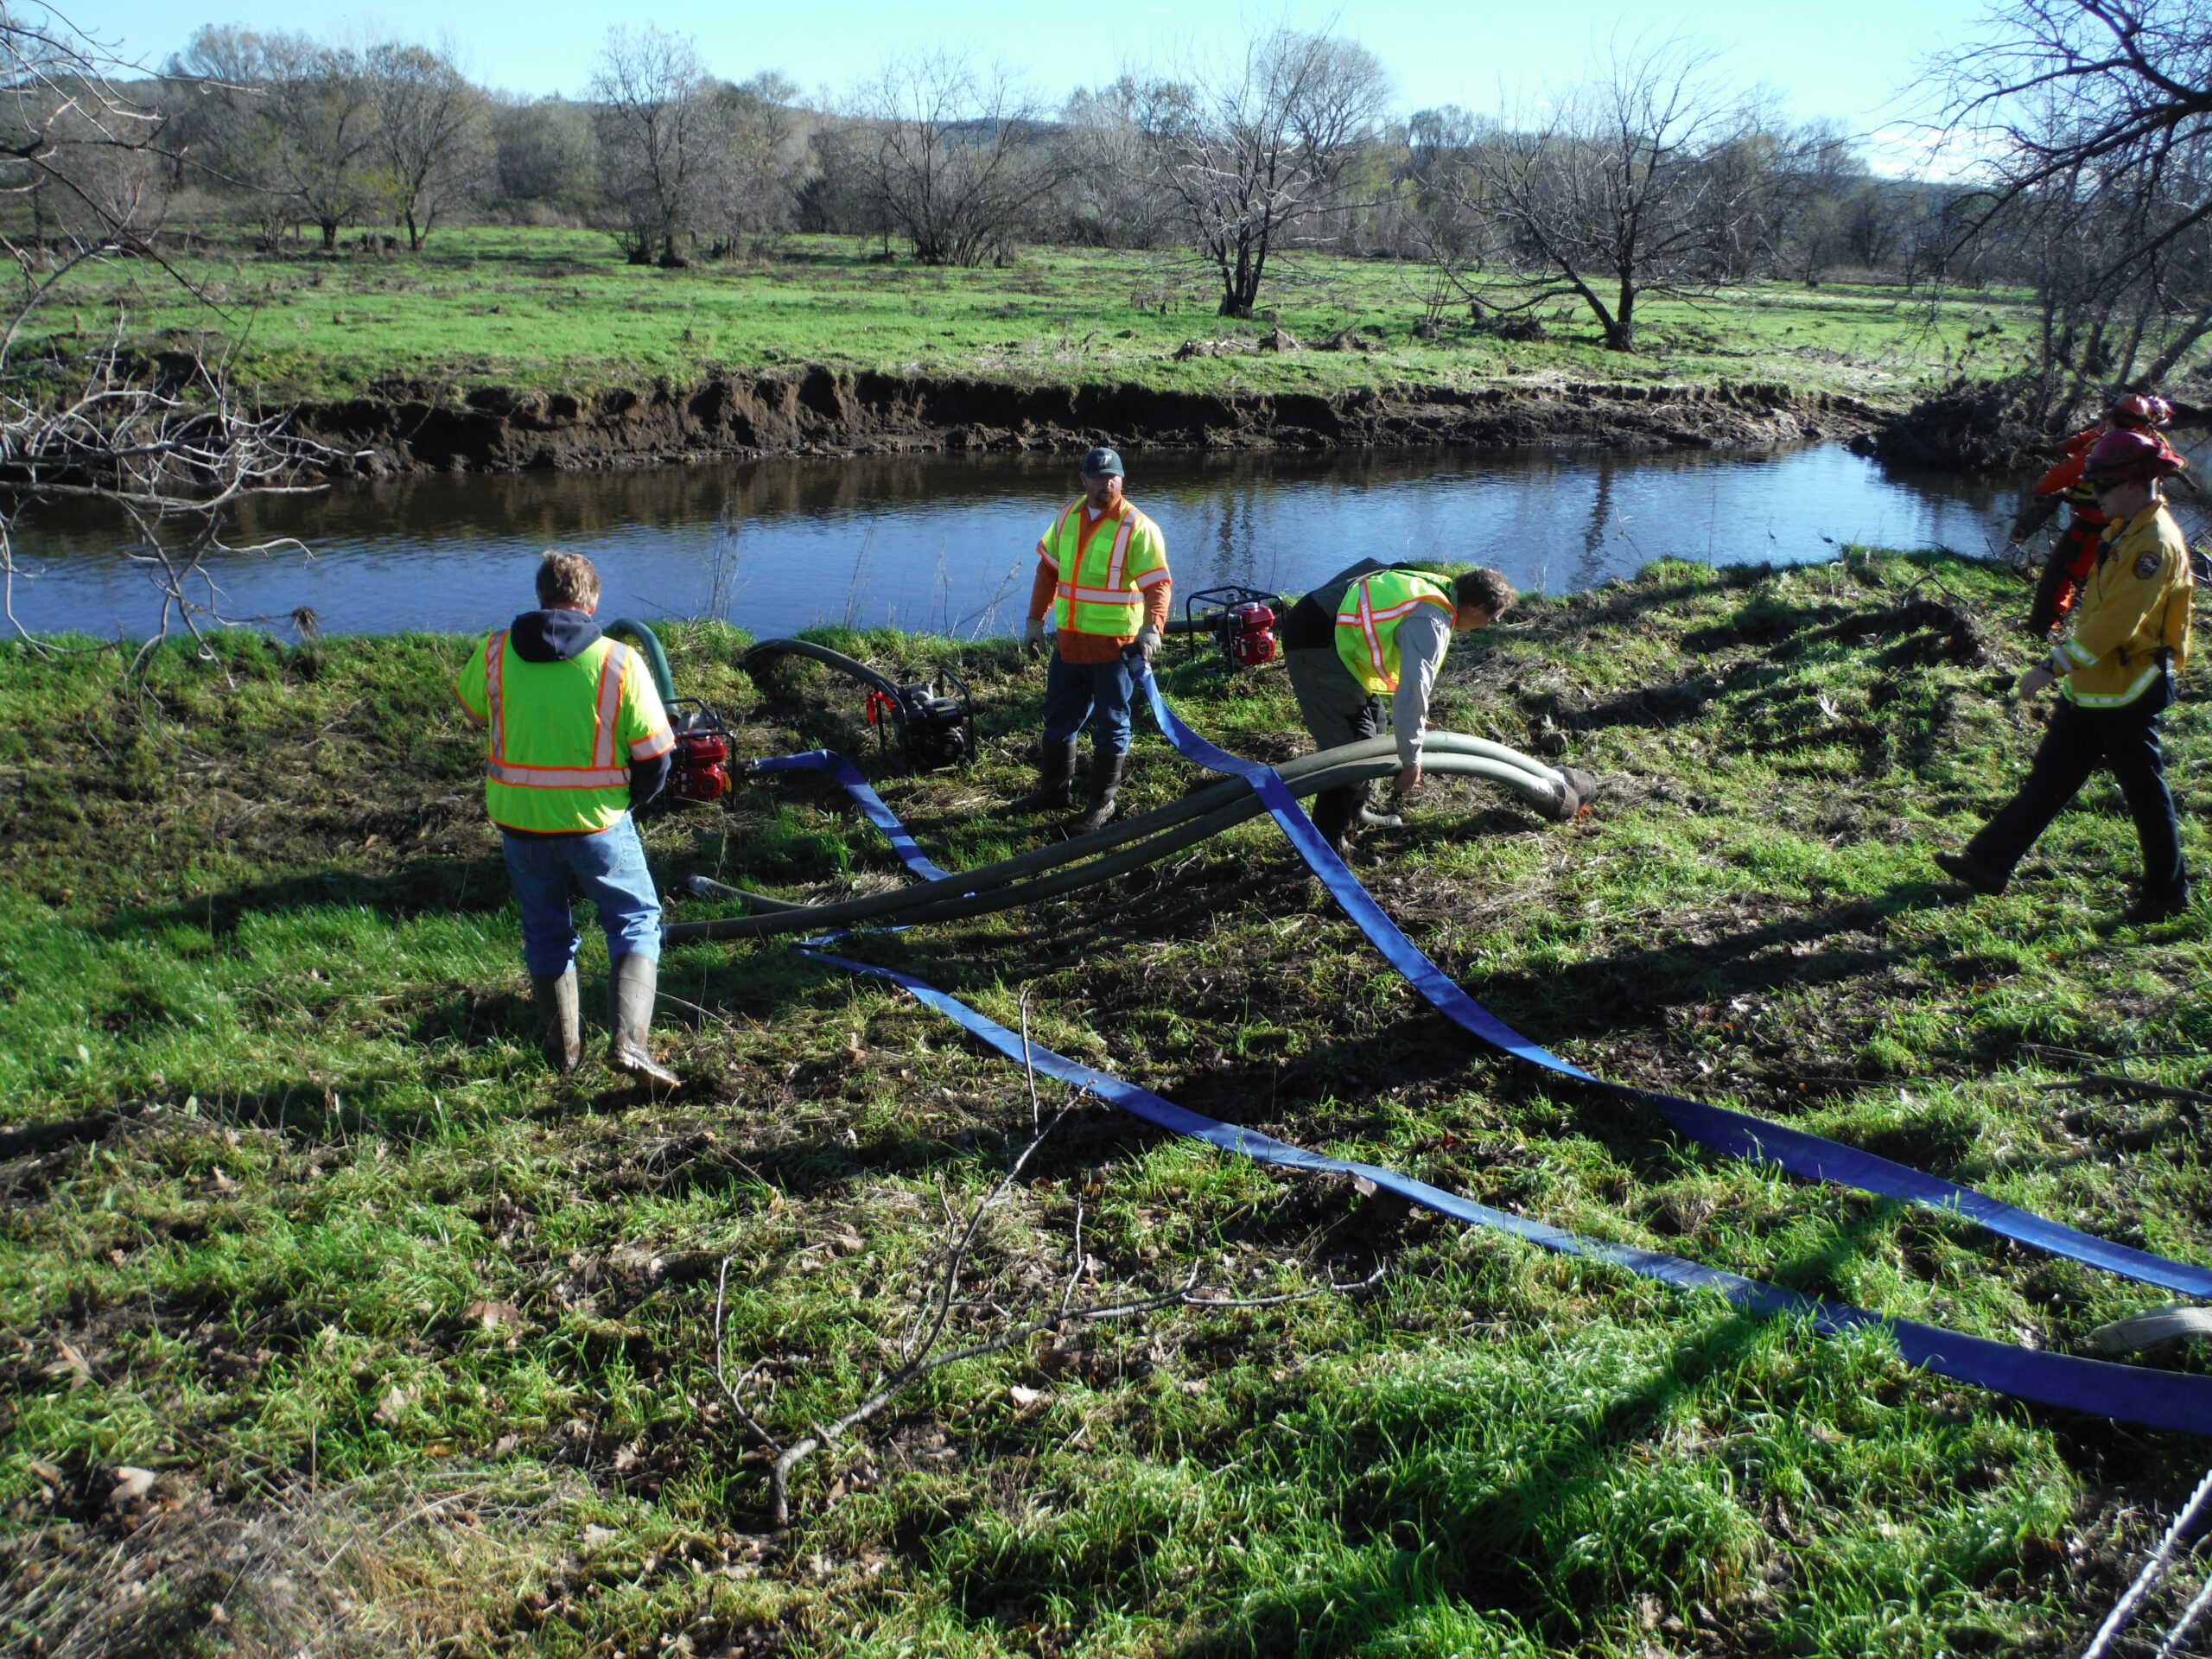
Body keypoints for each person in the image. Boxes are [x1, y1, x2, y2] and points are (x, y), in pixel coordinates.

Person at [1937, 427, 2195, 923]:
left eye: (2100, 487)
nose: (2094, 497)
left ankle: (2167, 895)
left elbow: (2116, 625)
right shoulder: (2126, 528)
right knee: (2049, 781)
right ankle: (1988, 863)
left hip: (2129, 688)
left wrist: (2052, 666)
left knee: (2144, 794)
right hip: (2095, 686)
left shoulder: (2153, 546)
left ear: (2133, 483)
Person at [455, 550, 681, 1084]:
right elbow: (656, 755)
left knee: (545, 932)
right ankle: (630, 1043)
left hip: (520, 823)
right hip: (597, 823)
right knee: (635, 921)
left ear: (540, 598)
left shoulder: (493, 652)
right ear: (592, 601)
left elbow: (473, 709)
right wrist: (630, 802)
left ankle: (564, 1055)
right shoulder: (619, 661)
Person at [1281, 560, 1517, 853]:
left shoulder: (1440, 589)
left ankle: (1355, 811)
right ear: (1477, 607)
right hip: (1315, 637)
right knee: (1350, 746)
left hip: (1339, 635)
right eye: (1492, 619)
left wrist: (1418, 717)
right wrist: (1411, 761)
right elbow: (1412, 690)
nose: (1490, 626)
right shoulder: (1431, 619)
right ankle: (1326, 844)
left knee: (1377, 725)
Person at [1011, 446, 1173, 833]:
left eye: (1114, 476)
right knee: (1059, 717)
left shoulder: (1138, 527)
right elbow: (1048, 571)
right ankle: (1053, 793)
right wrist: (1036, 620)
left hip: (1114, 649)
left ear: (1122, 479)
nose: (1108, 483)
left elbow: (1158, 584)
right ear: (1084, 480)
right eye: (1099, 477)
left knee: (1111, 723)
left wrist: (1153, 627)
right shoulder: (1067, 515)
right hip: (1070, 644)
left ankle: (1102, 805)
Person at [2010, 394, 2179, 638]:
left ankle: (2044, 628)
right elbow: (2086, 438)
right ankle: (2070, 622)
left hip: (2094, 522)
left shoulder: (2112, 446)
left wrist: (2040, 490)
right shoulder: (2146, 444)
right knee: (2095, 575)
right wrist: (2054, 448)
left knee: (2062, 573)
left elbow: (2068, 470)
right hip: (2123, 523)